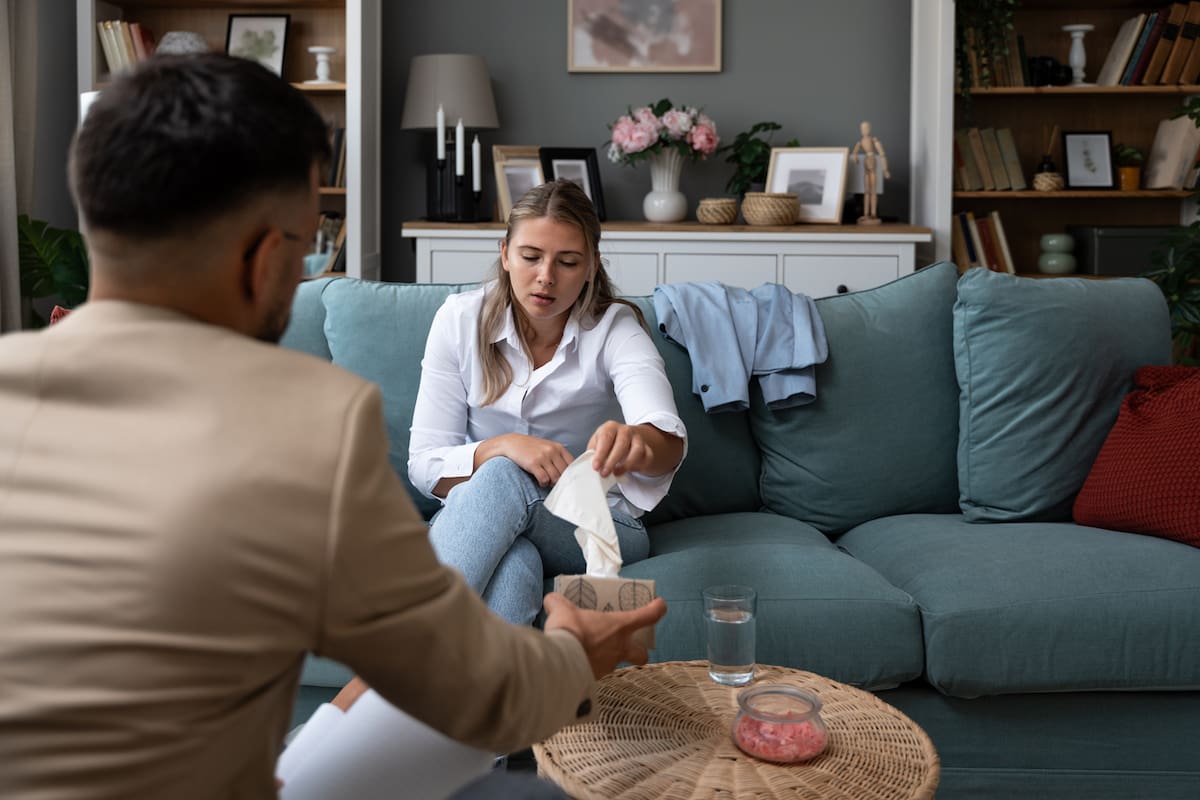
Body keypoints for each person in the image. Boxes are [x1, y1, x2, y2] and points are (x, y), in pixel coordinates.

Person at [0, 54, 665, 799]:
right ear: (265, 258)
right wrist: (575, 652)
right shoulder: (308, 423)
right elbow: (450, 682)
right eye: (304, 243)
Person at [408, 179, 688, 626]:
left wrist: (637, 441)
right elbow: (424, 465)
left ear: (592, 266)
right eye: (530, 257)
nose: (546, 277)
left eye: (568, 262)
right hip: (483, 521)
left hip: (597, 525)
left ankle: (404, 646)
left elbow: (666, 438)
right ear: (505, 254)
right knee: (515, 560)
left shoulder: (615, 329)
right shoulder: (459, 320)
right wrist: (501, 446)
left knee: (504, 477)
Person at [850, 120, 890, 224]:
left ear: (870, 129)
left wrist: (885, 169)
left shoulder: (874, 140)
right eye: (862, 128)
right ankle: (866, 214)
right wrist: (855, 156)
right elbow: (854, 152)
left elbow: (882, 154)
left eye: (866, 128)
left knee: (873, 191)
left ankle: (873, 214)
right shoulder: (860, 141)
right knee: (866, 191)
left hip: (872, 161)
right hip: (866, 163)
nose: (864, 130)